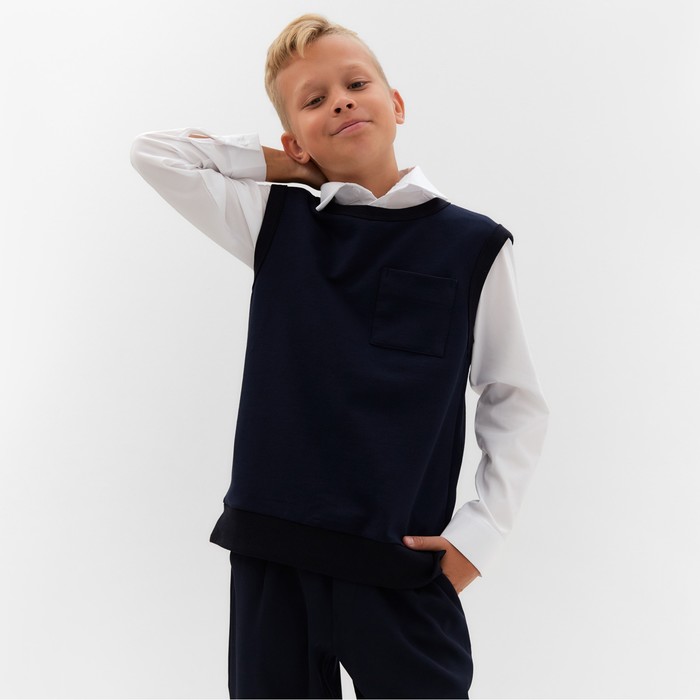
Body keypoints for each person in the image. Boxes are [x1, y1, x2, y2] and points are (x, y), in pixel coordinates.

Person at [130, 13, 549, 699]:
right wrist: (286, 165)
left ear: (397, 104)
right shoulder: (275, 221)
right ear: (294, 138)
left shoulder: (473, 245)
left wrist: (481, 536)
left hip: (398, 563)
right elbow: (154, 154)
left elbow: (515, 399)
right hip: (273, 554)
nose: (342, 103)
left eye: (356, 85)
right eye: (315, 99)